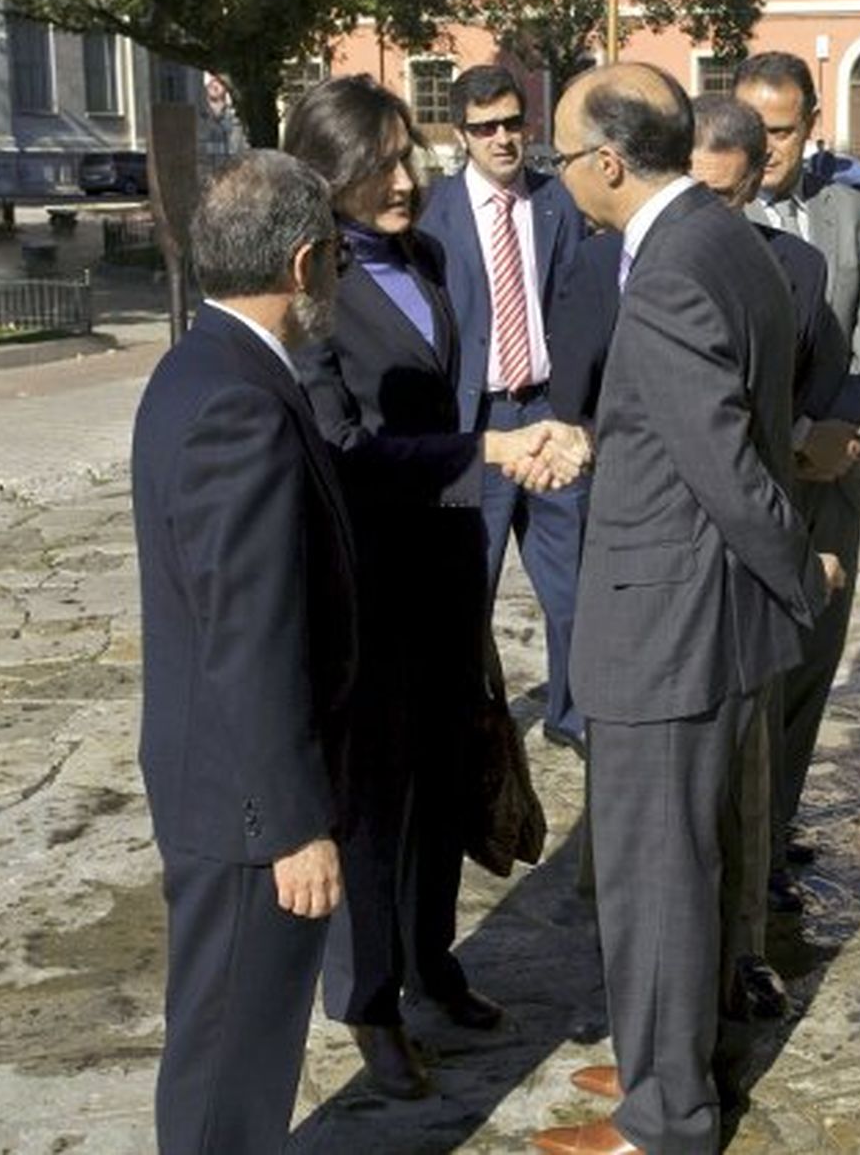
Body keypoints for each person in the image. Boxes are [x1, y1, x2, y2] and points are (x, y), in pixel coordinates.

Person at [531, 63, 844, 1155]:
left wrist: (796, 577)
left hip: (666, 622)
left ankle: (662, 1118)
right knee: (694, 861)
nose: (559, 178)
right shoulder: (729, 241)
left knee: (654, 875)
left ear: (609, 162)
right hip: (706, 617)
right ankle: (672, 1060)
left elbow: (725, 466)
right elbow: (701, 425)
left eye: (562, 157)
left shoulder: (666, 270)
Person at [283, 75, 581, 1100]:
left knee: (444, 778)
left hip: (444, 564)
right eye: (383, 167)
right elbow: (345, 450)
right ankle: (368, 1001)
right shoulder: (316, 292)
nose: (408, 181)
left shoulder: (423, 255)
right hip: (367, 588)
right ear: (331, 179)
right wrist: (485, 455)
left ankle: (431, 961)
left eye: (410, 158)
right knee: (373, 803)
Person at [131, 149, 356, 1151]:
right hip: (243, 804)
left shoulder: (205, 363)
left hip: (221, 784)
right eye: (341, 258)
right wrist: (295, 826)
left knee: (231, 1046)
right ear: (306, 263)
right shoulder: (240, 401)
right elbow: (250, 632)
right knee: (231, 1062)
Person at [734, 52, 860, 907]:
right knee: (754, 671)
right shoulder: (716, 219)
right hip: (756, 481)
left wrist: (847, 433)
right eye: (754, 129)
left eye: (784, 131)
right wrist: (793, 442)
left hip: (834, 481)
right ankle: (743, 847)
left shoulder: (845, 211)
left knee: (811, 669)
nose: (768, 147)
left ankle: (777, 826)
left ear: (812, 125)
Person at [417, 63, 592, 756]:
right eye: (485, 127)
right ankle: (460, 721)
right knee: (466, 586)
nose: (502, 138)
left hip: (547, 413)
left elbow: (580, 307)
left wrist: (579, 412)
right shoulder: (435, 215)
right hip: (473, 426)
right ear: (462, 133)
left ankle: (574, 714)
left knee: (573, 579)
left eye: (513, 123)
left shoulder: (557, 203)